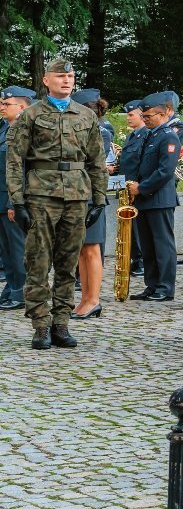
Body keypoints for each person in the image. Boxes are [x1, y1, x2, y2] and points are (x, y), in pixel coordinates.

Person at [8, 59, 107, 349]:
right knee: (38, 262)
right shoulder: (32, 115)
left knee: (67, 263)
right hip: (41, 196)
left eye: (70, 76)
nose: (67, 80)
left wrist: (99, 199)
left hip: (76, 196)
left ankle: (61, 323)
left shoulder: (85, 115)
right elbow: (15, 161)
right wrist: (18, 200)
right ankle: (40, 325)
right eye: (60, 76)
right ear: (46, 81)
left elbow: (97, 161)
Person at [128, 90, 183, 303]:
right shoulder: (150, 135)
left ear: (162, 114)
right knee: (148, 245)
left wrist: (141, 188)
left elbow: (165, 171)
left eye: (148, 116)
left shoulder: (169, 136)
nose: (145, 120)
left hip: (159, 198)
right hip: (144, 198)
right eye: (143, 116)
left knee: (162, 244)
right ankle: (152, 285)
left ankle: (165, 287)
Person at [71, 89, 110, 319]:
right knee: (82, 249)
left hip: (91, 194)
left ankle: (93, 300)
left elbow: (95, 165)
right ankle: (85, 298)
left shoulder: (100, 131)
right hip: (77, 193)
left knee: (92, 249)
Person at [0, 84, 36, 310]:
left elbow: (24, 169)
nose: (2, 107)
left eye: (7, 104)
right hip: (2, 197)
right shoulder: (6, 129)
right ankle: (11, 288)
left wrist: (17, 201)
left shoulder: (27, 131)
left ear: (22, 107)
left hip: (14, 198)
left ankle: (21, 292)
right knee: (6, 249)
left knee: (18, 247)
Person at [118, 100, 147, 280]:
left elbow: (141, 164)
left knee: (137, 228)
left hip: (136, 188)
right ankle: (135, 258)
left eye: (131, 115)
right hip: (125, 187)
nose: (128, 118)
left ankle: (140, 260)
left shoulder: (145, 135)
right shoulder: (132, 136)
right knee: (131, 227)